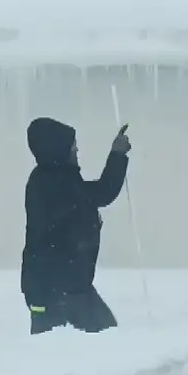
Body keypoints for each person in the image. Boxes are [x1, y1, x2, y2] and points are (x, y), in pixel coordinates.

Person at [21, 117, 132, 335]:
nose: (77, 149)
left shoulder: (51, 179)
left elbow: (82, 207)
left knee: (96, 338)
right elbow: (103, 192)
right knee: (102, 338)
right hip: (59, 288)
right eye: (72, 146)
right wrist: (118, 155)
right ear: (58, 150)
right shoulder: (55, 182)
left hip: (57, 284)